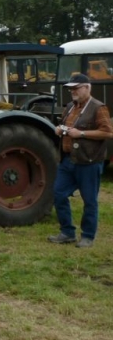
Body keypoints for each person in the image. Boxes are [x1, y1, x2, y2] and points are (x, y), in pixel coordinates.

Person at [49, 73, 113, 248]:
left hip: (89, 162)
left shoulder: (98, 108)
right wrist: (59, 129)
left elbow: (108, 132)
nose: (72, 91)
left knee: (89, 200)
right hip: (68, 160)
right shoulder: (70, 106)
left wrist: (82, 133)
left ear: (87, 87)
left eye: (76, 88)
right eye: (71, 89)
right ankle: (67, 232)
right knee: (58, 193)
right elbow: (65, 126)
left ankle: (88, 236)